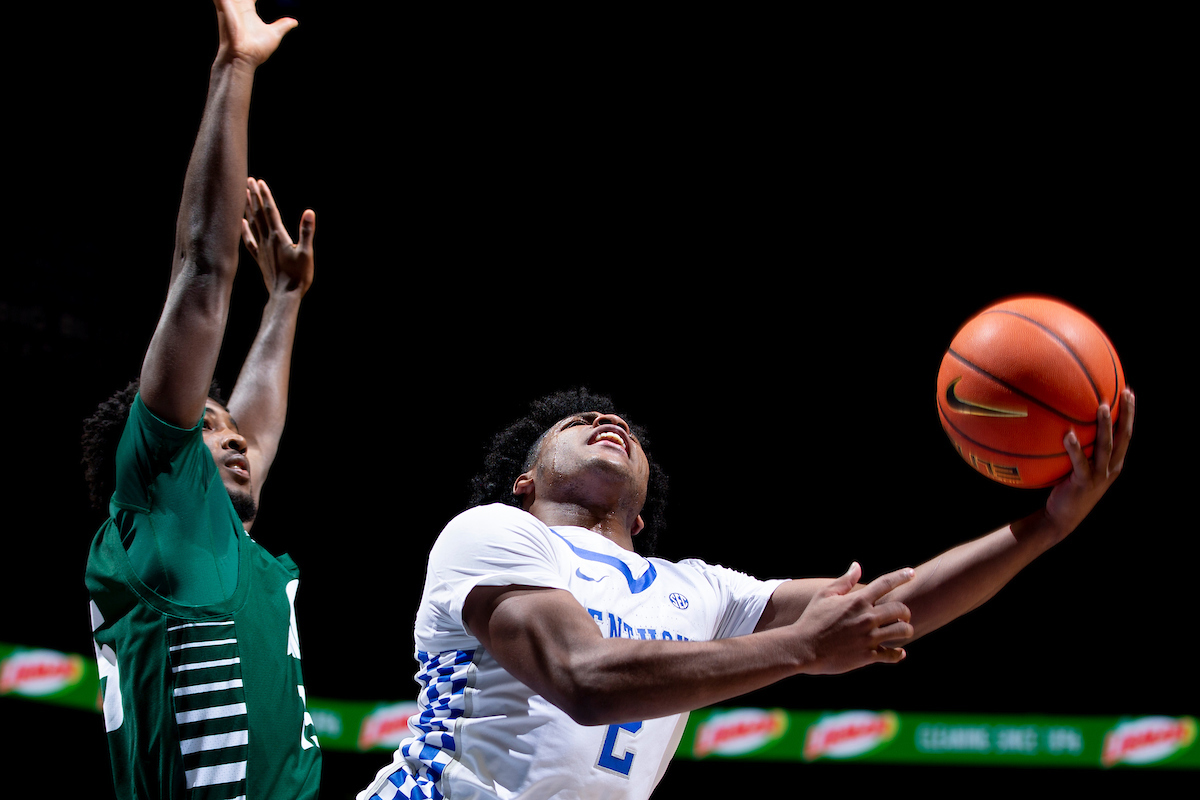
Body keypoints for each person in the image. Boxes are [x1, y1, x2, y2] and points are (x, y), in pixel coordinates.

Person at [358, 385, 1135, 800]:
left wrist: (1048, 528)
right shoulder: (494, 531)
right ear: (526, 480)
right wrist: (798, 649)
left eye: (617, 420)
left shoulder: (696, 589)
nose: (603, 417)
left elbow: (895, 604)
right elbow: (583, 680)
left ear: (641, 503)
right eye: (577, 421)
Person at [82, 2, 321, 797]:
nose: (233, 440)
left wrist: (284, 299)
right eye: (204, 429)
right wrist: (236, 70)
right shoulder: (158, 511)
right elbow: (202, 274)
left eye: (227, 429)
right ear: (158, 463)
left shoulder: (217, 551)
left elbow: (253, 428)